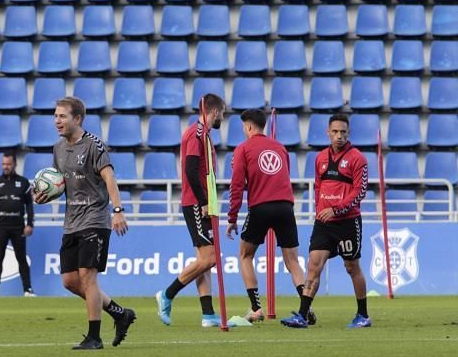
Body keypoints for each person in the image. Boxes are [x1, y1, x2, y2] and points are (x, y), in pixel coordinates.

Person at [34, 96, 136, 350]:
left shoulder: (94, 146)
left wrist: (118, 210)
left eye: (62, 116)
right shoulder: (58, 149)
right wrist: (45, 195)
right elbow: (60, 184)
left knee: (88, 278)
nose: (57, 121)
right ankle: (120, 313)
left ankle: (94, 337)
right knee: (70, 282)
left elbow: (109, 177)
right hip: (72, 222)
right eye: (55, 116)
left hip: (95, 219)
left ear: (77, 119)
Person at [281, 113, 371, 329]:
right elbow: (319, 188)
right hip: (324, 222)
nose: (339, 136)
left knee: (352, 267)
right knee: (313, 265)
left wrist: (336, 209)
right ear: (328, 132)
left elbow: (360, 192)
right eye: (335, 132)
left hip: (348, 222)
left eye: (343, 132)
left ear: (348, 133)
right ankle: (302, 315)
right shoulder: (321, 158)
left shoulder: (358, 158)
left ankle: (363, 315)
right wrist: (321, 210)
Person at [225, 109, 307, 323]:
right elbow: (285, 176)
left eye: (244, 127)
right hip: (285, 206)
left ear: (249, 126)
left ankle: (256, 308)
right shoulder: (280, 148)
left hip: (260, 206)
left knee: (245, 255)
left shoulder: (243, 149)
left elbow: (236, 185)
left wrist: (232, 217)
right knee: (293, 261)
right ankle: (305, 306)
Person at [156, 94, 225, 328]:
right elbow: (190, 169)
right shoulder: (196, 133)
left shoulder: (203, 134)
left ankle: (207, 314)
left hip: (201, 202)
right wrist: (204, 201)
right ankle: (167, 294)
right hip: (197, 203)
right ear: (214, 112)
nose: (222, 118)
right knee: (209, 258)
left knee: (204, 261)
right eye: (222, 113)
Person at [0, 152, 36, 297]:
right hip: (0, 227)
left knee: (21, 258)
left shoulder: (24, 182)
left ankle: (28, 290)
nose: (5, 167)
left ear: (14, 165)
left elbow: (29, 205)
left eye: (8, 164)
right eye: (3, 164)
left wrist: (30, 224)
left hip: (18, 226)